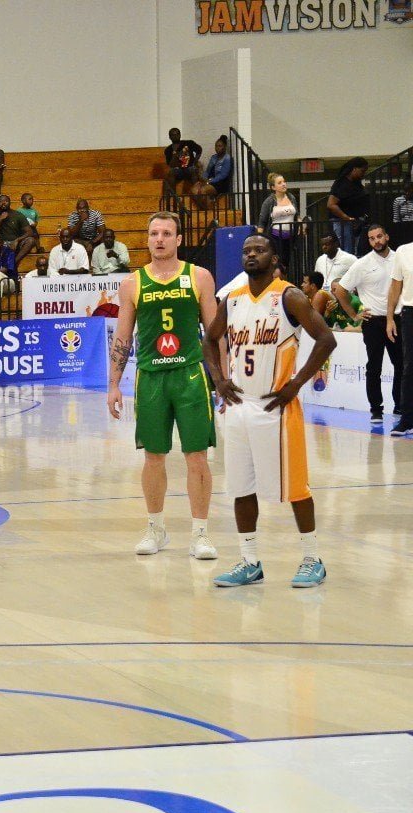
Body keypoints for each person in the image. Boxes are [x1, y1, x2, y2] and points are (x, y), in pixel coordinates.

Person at [203, 234, 335, 588]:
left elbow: (326, 340)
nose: (251, 255)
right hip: (239, 406)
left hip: (276, 407)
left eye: (259, 250)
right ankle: (249, 561)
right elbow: (209, 340)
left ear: (274, 258)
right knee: (240, 488)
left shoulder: (289, 296)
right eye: (246, 251)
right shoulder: (232, 300)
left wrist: (296, 383)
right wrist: (218, 380)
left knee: (295, 488)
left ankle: (312, 557)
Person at [107, 211, 219, 560]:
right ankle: (156, 528)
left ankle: (200, 534)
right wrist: (113, 384)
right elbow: (123, 336)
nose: (159, 239)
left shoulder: (199, 277)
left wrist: (225, 380)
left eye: (166, 233)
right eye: (154, 233)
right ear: (147, 238)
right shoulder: (132, 283)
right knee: (153, 457)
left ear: (178, 239)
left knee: (197, 457)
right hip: (150, 376)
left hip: (189, 375)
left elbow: (215, 335)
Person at [333, 224, 401, 424]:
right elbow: (341, 290)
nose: (376, 241)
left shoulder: (400, 259)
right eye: (372, 238)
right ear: (369, 241)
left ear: (386, 236)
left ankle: (400, 405)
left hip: (397, 319)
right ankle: (376, 410)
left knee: (402, 365)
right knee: (374, 366)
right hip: (372, 321)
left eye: (379, 236)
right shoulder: (362, 264)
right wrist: (354, 315)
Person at [387, 237, 413, 436]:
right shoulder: (403, 251)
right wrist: (389, 318)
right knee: (409, 367)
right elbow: (396, 287)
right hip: (409, 313)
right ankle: (407, 420)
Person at [326, 157, 370, 255]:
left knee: (354, 251)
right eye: (362, 171)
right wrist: (346, 217)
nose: (363, 174)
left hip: (355, 222)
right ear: (354, 169)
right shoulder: (341, 184)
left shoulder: (356, 183)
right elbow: (331, 204)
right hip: (343, 222)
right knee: (347, 251)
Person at [257, 173, 300, 269]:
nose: (284, 184)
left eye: (284, 182)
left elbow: (297, 215)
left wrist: (302, 225)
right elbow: (262, 222)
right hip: (275, 237)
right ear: (273, 187)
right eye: (280, 183)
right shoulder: (269, 201)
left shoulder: (291, 197)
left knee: (286, 263)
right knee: (277, 264)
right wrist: (259, 240)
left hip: (290, 237)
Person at [0, 194, 38, 264]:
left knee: (31, 240)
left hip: (14, 242)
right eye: (0, 201)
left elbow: (30, 232)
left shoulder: (18, 215)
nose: (3, 203)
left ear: (10, 202)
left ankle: (14, 262)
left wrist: (17, 240)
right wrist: (0, 219)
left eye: (6, 201)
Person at [193, 134, 232, 208]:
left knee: (202, 191)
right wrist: (202, 178)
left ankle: (209, 210)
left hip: (220, 183)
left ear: (224, 147)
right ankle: (207, 208)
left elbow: (223, 175)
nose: (217, 148)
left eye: (220, 146)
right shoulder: (213, 157)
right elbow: (208, 171)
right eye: (216, 146)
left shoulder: (227, 158)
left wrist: (209, 181)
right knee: (194, 190)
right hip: (210, 181)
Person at [162, 127, 201, 196]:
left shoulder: (188, 143)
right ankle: (174, 197)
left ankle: (197, 195)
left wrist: (195, 162)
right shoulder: (168, 150)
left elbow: (199, 150)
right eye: (173, 135)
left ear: (180, 135)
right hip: (178, 171)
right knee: (171, 172)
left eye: (177, 134)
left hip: (189, 168)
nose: (175, 136)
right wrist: (174, 156)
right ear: (170, 137)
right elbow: (170, 164)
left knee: (194, 169)